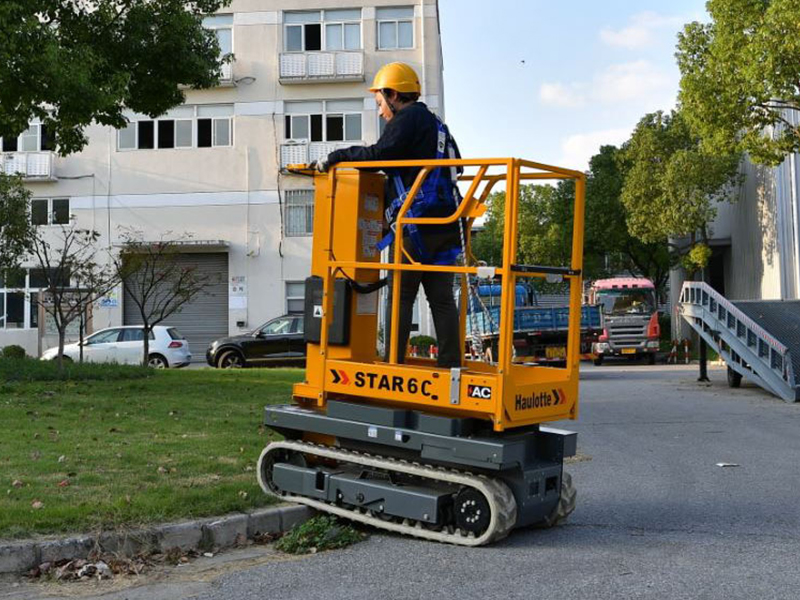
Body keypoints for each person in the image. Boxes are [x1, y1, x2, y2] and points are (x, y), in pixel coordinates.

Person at [313, 62, 463, 369]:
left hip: (415, 226)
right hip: (446, 224)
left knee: (401, 295)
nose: (381, 112)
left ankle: (393, 364)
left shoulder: (407, 118)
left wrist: (336, 157)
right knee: (442, 300)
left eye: (380, 103)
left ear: (393, 95)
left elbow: (379, 155)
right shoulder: (437, 126)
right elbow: (456, 165)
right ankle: (450, 364)